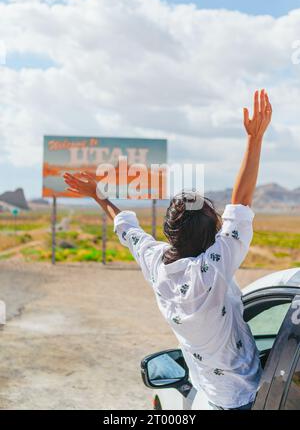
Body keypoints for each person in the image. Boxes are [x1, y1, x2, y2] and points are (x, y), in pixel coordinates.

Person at [64, 90, 272, 410]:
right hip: (246, 396)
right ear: (214, 232)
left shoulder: (157, 263)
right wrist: (254, 138)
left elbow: (126, 227)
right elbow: (241, 202)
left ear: (170, 232)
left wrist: (97, 195)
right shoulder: (212, 268)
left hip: (213, 395)